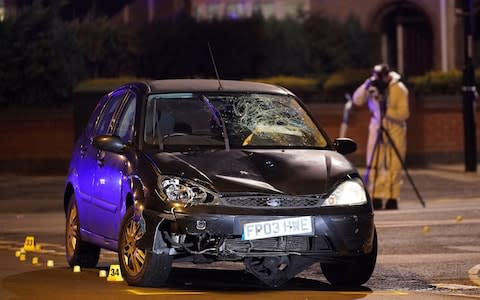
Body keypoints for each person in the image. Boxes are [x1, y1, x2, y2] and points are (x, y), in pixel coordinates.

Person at [352, 64, 409, 210]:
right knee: (374, 161)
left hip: (395, 128)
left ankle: (392, 197)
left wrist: (384, 109)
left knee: (393, 164)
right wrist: (366, 85)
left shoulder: (399, 88)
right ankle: (375, 195)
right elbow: (357, 100)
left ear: (387, 75)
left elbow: (404, 113)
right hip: (376, 126)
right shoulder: (372, 86)